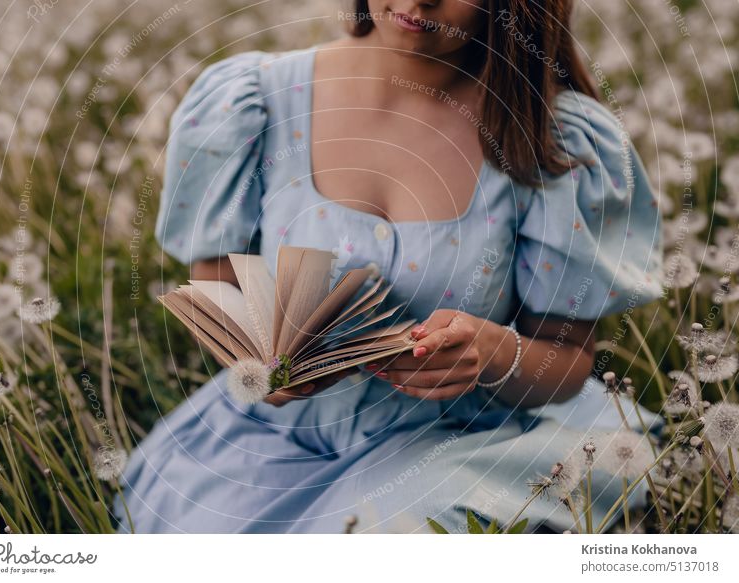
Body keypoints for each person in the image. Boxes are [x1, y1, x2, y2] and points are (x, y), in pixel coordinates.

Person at [115, 0, 665, 533]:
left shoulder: (552, 140)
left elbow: (566, 362)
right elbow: (216, 283)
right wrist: (264, 363)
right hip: (274, 433)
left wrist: (493, 352)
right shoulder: (250, 100)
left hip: (459, 440)